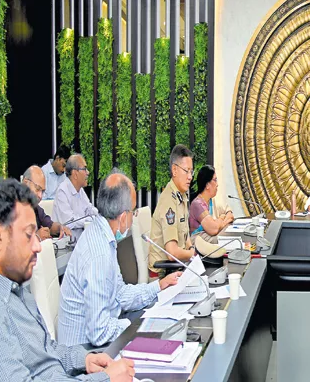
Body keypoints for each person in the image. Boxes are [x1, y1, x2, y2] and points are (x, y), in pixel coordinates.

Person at [0, 178, 135, 381]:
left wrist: (83, 359)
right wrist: (106, 379)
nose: (38, 246)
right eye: (29, 235)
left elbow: (47, 350)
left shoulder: (16, 288)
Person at [58, 170, 181, 347]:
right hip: (86, 354)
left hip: (101, 334)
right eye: (133, 212)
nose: (134, 216)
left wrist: (158, 287)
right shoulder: (98, 254)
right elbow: (99, 332)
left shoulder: (103, 235)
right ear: (123, 217)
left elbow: (119, 294)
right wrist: (136, 327)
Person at [148, 145, 195, 278]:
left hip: (177, 268)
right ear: (174, 170)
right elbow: (172, 253)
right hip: (162, 276)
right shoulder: (169, 200)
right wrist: (194, 254)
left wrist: (191, 248)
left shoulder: (182, 195)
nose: (190, 177)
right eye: (186, 171)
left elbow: (185, 236)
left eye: (192, 172)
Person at [53, 154, 98, 241]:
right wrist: (91, 219)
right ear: (75, 173)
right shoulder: (62, 191)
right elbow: (70, 223)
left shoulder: (80, 190)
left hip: (79, 238)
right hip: (65, 244)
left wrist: (99, 215)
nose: (88, 172)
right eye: (84, 169)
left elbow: (89, 209)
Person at [22, 165, 72, 241]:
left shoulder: (36, 209)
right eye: (38, 189)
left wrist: (60, 228)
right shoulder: (9, 208)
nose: (40, 196)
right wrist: (37, 237)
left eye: (43, 191)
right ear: (25, 183)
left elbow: (50, 226)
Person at [189, 165, 235, 243]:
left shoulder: (212, 201)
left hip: (211, 244)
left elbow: (230, 215)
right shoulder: (197, 204)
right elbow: (213, 229)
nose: (217, 184)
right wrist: (221, 218)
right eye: (215, 180)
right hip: (199, 248)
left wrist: (220, 222)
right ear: (207, 185)